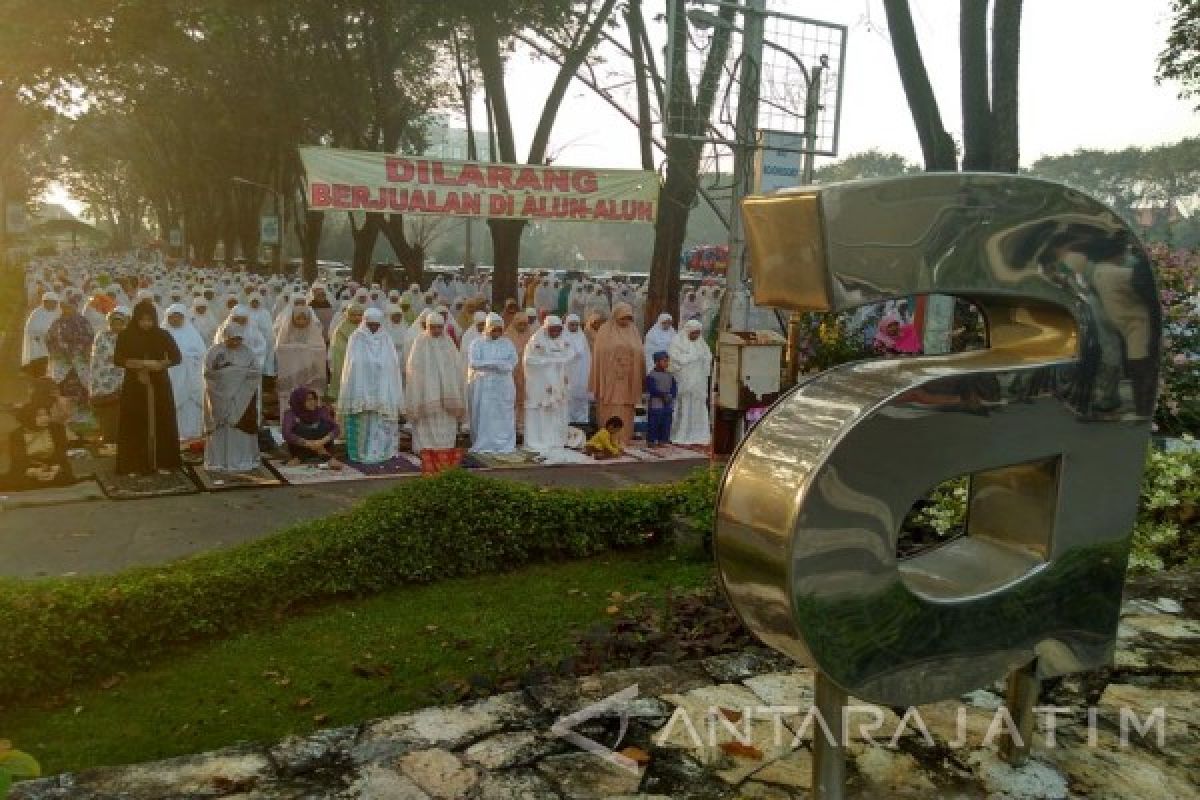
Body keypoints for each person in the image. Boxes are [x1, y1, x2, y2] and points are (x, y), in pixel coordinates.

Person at [113, 300, 183, 476]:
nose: (146, 324)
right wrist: (138, 364)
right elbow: (117, 358)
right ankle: (133, 464)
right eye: (142, 320)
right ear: (136, 319)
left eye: (150, 320)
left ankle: (163, 462)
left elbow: (176, 357)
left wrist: (160, 365)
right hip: (134, 385)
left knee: (162, 421)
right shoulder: (125, 335)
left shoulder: (162, 335)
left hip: (159, 383)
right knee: (135, 422)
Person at [338, 308, 404, 464]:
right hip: (361, 388)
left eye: (376, 325)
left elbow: (392, 364)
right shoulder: (356, 338)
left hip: (382, 388)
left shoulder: (386, 339)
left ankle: (382, 452)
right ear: (364, 323)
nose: (373, 328)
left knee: (380, 422)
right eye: (370, 325)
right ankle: (360, 453)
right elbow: (352, 364)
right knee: (362, 422)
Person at [203, 322, 262, 472]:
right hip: (218, 397)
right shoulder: (214, 352)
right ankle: (219, 462)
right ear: (225, 336)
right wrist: (229, 374)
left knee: (240, 430)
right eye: (232, 339)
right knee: (221, 429)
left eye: (238, 339)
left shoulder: (249, 353)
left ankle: (242, 460)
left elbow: (254, 374)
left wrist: (235, 374)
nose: (235, 342)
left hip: (243, 397)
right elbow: (208, 374)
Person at [405, 312, 466, 454]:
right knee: (427, 420)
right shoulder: (420, 342)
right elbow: (413, 367)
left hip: (447, 393)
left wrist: (452, 382)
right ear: (427, 326)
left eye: (440, 327)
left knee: (446, 420)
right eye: (433, 327)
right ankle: (425, 449)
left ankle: (445, 447)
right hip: (426, 392)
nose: (437, 331)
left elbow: (457, 366)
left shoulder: (448, 342)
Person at [589, 302, 642, 446]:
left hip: (628, 377)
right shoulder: (605, 330)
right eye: (622, 318)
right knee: (610, 406)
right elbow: (601, 353)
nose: (625, 321)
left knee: (625, 406)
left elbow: (639, 351)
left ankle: (624, 437)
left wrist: (630, 359)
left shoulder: (634, 331)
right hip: (610, 377)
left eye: (628, 318)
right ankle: (608, 438)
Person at [467, 313, 518, 454]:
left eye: (499, 330)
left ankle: (504, 443)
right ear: (487, 328)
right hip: (484, 387)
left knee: (503, 415)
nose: (496, 333)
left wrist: (499, 366)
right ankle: (484, 443)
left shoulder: (507, 343)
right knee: (485, 415)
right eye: (493, 330)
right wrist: (495, 364)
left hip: (503, 386)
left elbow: (513, 361)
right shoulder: (477, 343)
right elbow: (473, 363)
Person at [522, 315, 573, 454]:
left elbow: (571, 354)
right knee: (541, 410)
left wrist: (561, 360)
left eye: (558, 330)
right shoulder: (536, 341)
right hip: (541, 384)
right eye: (553, 330)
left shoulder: (564, 340)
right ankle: (539, 440)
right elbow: (528, 360)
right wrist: (547, 361)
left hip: (558, 382)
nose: (555, 333)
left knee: (557, 410)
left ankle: (556, 440)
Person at [1, 404, 74, 490]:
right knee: (16, 482)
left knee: (63, 478)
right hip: (29, 468)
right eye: (39, 415)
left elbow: (61, 452)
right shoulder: (17, 435)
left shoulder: (57, 429)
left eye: (46, 414)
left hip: (54, 466)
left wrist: (54, 470)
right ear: (29, 417)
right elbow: (19, 459)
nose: (45, 418)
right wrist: (35, 472)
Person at [45, 291, 95, 414]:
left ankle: (83, 413)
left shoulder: (83, 322)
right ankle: (61, 413)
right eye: (63, 306)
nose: (65, 309)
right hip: (61, 361)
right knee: (60, 386)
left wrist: (83, 352)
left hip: (80, 360)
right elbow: (49, 339)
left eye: (67, 306)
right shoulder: (57, 322)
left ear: (74, 306)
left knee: (83, 386)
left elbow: (90, 339)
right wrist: (55, 352)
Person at [164, 303, 207, 441]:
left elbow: (202, 355)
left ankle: (193, 435)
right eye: (172, 317)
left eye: (178, 317)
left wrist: (187, 358)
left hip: (191, 377)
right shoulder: (163, 334)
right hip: (171, 376)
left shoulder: (192, 334)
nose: (175, 320)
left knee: (191, 407)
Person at [275, 303, 328, 412]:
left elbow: (321, 349)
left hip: (311, 375)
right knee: (290, 399)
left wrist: (305, 349)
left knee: (310, 396)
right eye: (298, 318)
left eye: (304, 319)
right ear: (293, 319)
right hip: (291, 375)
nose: (301, 321)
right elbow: (279, 349)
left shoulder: (314, 332)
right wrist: (296, 348)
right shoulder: (286, 332)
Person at [89, 306, 129, 452]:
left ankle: (118, 440)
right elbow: (106, 356)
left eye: (120, 323)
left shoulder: (126, 337)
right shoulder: (102, 336)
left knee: (119, 411)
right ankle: (108, 439)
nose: (117, 326)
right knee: (107, 411)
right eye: (114, 323)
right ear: (110, 323)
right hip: (104, 380)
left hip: (122, 379)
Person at [668, 319, 713, 446]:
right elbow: (674, 359)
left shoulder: (701, 343)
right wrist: (690, 358)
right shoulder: (677, 342)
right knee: (685, 406)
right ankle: (681, 434)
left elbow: (707, 356)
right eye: (693, 333)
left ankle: (699, 435)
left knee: (698, 407)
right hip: (685, 382)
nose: (696, 336)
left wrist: (702, 359)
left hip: (698, 383)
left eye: (698, 333)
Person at [281, 387, 342, 468]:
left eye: (314, 399)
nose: (312, 402)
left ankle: (301, 458)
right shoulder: (290, 413)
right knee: (301, 429)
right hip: (301, 448)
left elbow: (336, 428)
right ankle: (327, 457)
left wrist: (321, 441)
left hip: (322, 443)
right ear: (300, 401)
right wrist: (309, 443)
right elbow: (286, 434)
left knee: (324, 426)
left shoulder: (321, 411)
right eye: (308, 400)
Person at [327, 303, 364, 402]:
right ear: (348, 315)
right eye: (353, 315)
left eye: (359, 315)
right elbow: (338, 348)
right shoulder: (341, 329)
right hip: (344, 360)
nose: (357, 317)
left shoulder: (365, 328)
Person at [505, 312, 535, 432]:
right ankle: (511, 425)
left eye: (524, 324)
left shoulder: (532, 336)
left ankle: (522, 424)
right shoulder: (507, 336)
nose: (522, 327)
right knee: (512, 398)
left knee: (525, 398)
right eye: (520, 324)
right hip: (511, 372)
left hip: (527, 373)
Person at [21, 291, 60, 377]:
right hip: (37, 346)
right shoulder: (36, 313)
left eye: (54, 303)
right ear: (44, 302)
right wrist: (39, 336)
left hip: (52, 346)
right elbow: (30, 329)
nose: (52, 305)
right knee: (39, 368)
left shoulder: (58, 314)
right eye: (49, 302)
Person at [562, 313, 592, 425]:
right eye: (571, 324)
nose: (574, 327)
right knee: (567, 400)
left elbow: (587, 358)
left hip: (581, 375)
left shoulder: (582, 337)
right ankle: (568, 424)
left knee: (581, 401)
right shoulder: (562, 337)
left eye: (576, 325)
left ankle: (582, 424)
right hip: (567, 374)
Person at [644, 351, 677, 448]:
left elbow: (674, 388)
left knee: (666, 423)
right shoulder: (651, 375)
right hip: (656, 403)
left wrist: (671, 395)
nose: (667, 363)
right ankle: (651, 441)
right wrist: (662, 395)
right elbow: (652, 389)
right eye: (664, 361)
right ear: (657, 362)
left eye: (668, 361)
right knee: (654, 423)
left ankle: (663, 440)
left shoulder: (670, 375)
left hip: (668, 403)